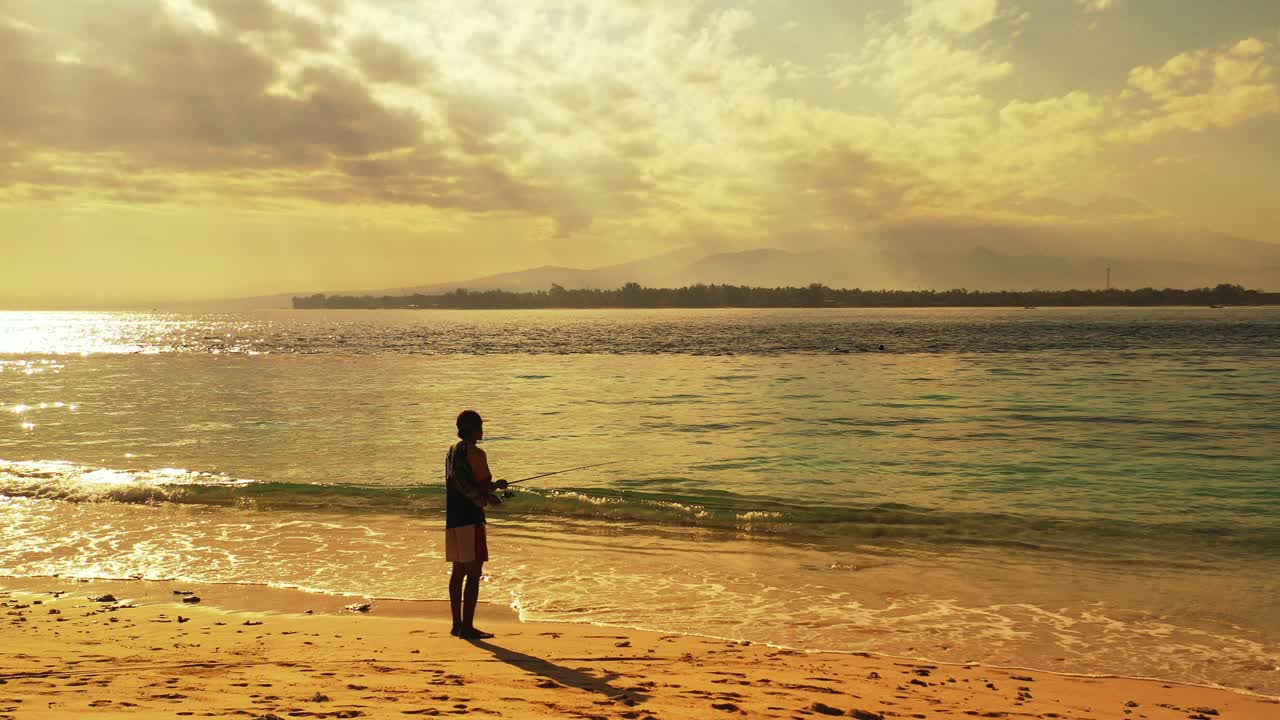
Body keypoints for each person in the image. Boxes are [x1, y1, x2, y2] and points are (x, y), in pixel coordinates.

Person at [445, 410, 508, 639]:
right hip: (471, 518)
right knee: (473, 574)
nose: (482, 429)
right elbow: (483, 485)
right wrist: (497, 486)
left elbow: (464, 485)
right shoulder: (477, 453)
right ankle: (468, 628)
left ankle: (456, 624)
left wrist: (489, 496)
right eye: (480, 426)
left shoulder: (452, 452)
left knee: (458, 572)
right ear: (472, 429)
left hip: (453, 517)